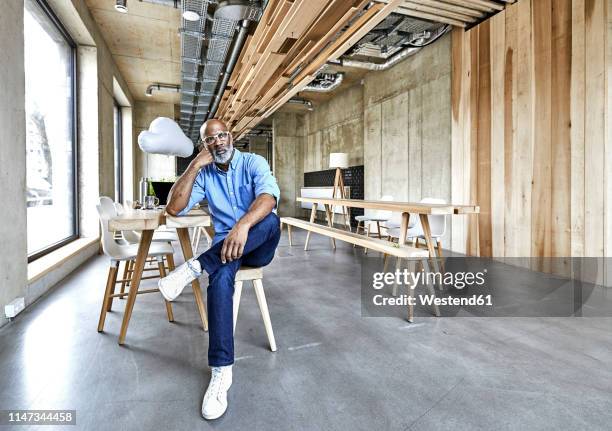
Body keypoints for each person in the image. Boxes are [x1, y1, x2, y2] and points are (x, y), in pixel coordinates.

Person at [160, 119, 281, 420]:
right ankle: (221, 372)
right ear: (205, 145)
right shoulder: (205, 173)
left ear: (232, 136)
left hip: (258, 245)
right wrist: (194, 166)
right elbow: (173, 208)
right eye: (210, 139)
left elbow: (268, 198)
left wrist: (242, 225)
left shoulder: (253, 162)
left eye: (222, 135)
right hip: (226, 253)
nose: (218, 142)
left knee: (271, 219)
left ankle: (195, 266)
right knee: (221, 280)